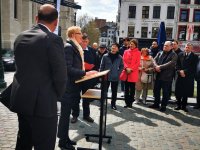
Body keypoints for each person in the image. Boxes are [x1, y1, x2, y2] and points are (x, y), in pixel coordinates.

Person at [10, 4, 67, 150]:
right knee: (45, 145)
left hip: (21, 100)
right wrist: (56, 96)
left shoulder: (20, 37)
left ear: (36, 19)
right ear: (56, 22)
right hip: (43, 105)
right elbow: (60, 75)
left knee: (24, 142)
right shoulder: (53, 39)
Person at [57, 26, 97, 150]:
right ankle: (62, 143)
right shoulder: (69, 47)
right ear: (74, 34)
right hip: (68, 88)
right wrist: (85, 73)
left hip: (73, 86)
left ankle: (66, 138)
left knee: (66, 115)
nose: (82, 36)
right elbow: (67, 69)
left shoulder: (75, 47)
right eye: (80, 33)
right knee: (64, 116)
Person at [71, 33, 98, 123]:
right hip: (77, 78)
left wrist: (93, 74)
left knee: (87, 98)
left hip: (88, 79)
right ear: (80, 41)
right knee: (75, 97)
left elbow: (97, 64)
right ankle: (75, 115)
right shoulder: (75, 50)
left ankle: (86, 115)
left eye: (86, 41)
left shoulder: (92, 51)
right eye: (83, 41)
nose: (84, 43)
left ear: (88, 41)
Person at [149, 41, 177, 112]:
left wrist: (159, 67)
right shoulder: (160, 52)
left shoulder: (174, 55)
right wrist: (156, 67)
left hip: (167, 77)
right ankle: (156, 104)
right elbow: (154, 60)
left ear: (171, 47)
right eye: (164, 45)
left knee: (165, 93)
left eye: (167, 46)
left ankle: (163, 106)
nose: (165, 47)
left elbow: (171, 64)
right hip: (158, 76)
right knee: (156, 91)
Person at [100, 43, 124, 110]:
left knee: (114, 91)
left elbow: (122, 66)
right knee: (104, 90)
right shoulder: (105, 56)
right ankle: (102, 103)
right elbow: (101, 66)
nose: (113, 48)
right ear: (110, 48)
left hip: (115, 77)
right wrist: (101, 75)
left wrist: (118, 73)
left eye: (115, 47)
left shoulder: (120, 57)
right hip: (105, 76)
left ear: (117, 49)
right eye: (112, 47)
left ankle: (113, 104)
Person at [174, 43, 198, 112]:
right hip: (180, 76)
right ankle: (178, 105)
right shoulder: (180, 55)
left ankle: (184, 106)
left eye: (189, 47)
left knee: (185, 93)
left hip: (188, 77)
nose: (187, 48)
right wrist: (180, 71)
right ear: (185, 48)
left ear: (191, 49)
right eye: (186, 47)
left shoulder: (195, 56)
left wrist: (184, 72)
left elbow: (193, 68)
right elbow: (176, 65)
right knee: (178, 92)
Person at [120, 39, 141, 108]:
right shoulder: (126, 51)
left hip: (133, 72)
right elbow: (123, 61)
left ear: (136, 45)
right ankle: (126, 102)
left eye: (133, 44)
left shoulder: (138, 52)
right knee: (126, 89)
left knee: (132, 89)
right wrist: (126, 68)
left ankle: (131, 103)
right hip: (126, 72)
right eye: (130, 44)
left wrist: (131, 69)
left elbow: (137, 63)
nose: (131, 45)